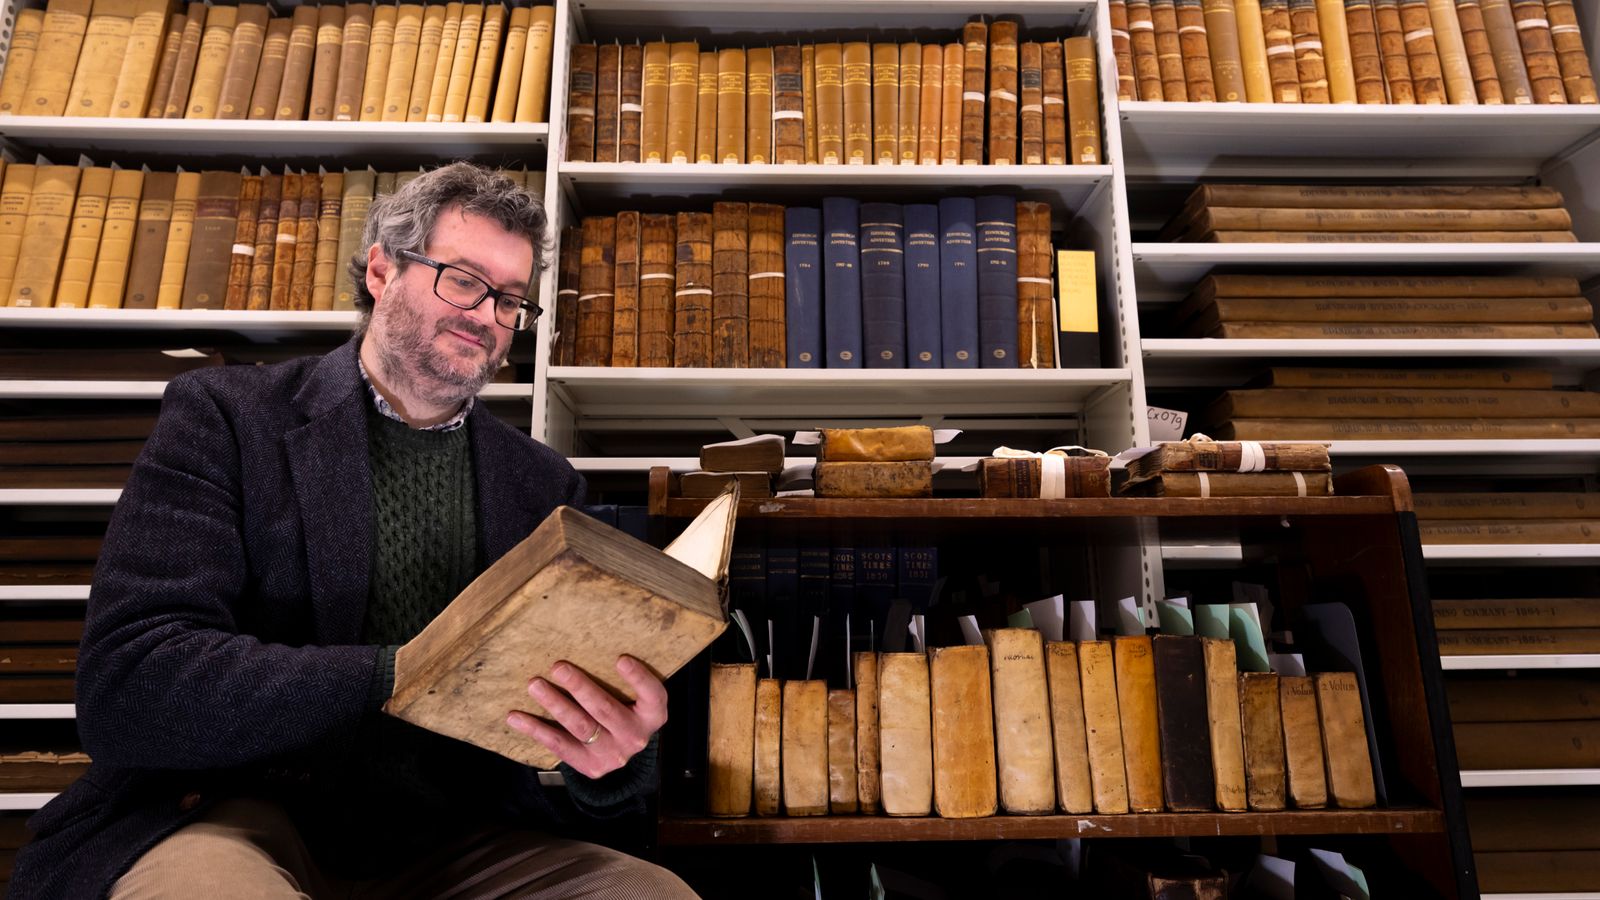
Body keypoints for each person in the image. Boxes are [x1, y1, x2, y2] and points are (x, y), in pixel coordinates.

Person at [8, 162, 697, 900]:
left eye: (509, 299)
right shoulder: (228, 417)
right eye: (462, 280)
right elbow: (131, 686)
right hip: (226, 812)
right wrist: (399, 672)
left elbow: (566, 726)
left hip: (449, 834)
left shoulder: (542, 484)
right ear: (380, 270)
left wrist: (619, 755)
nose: (486, 316)